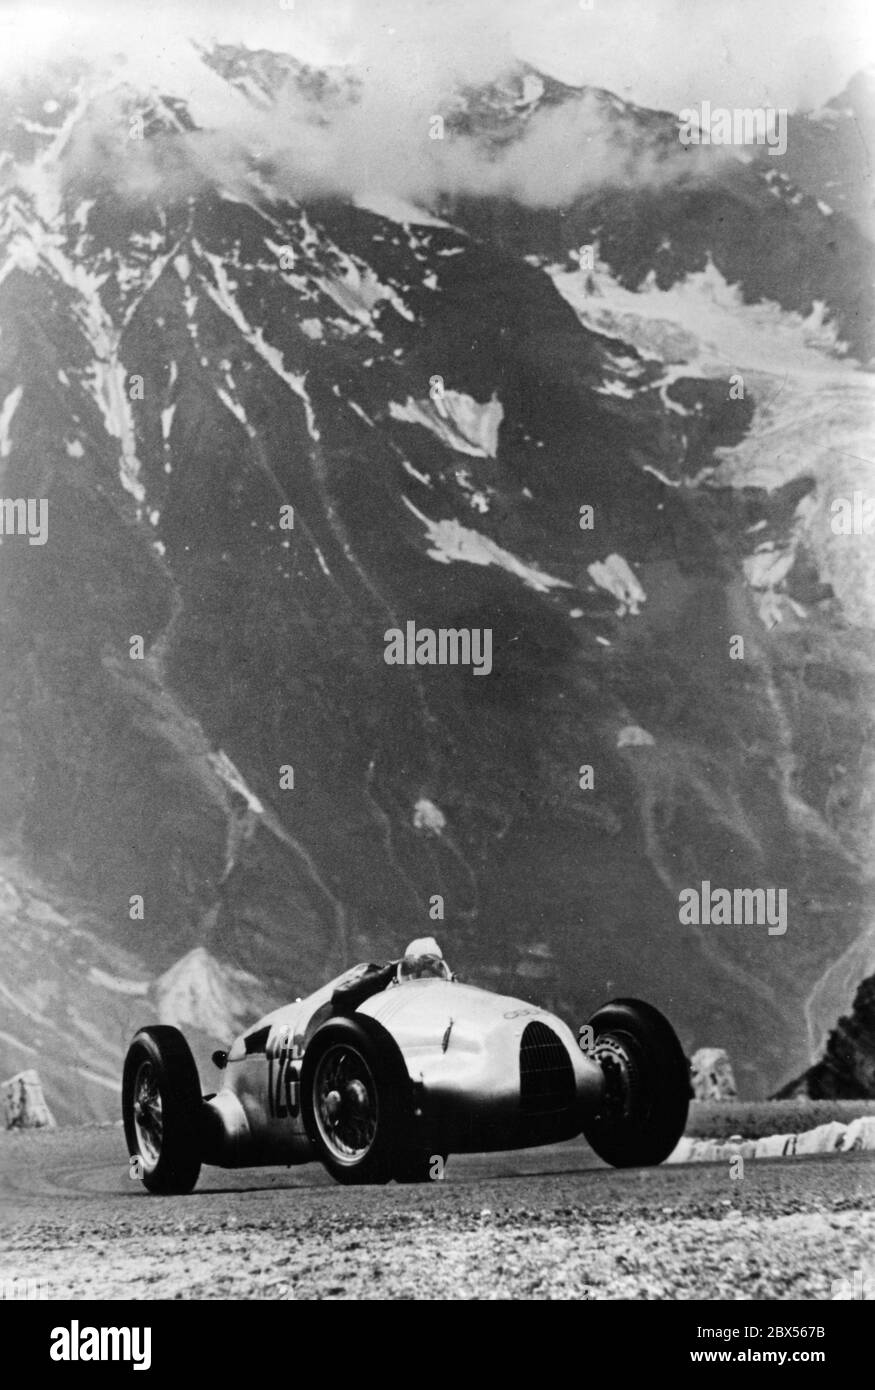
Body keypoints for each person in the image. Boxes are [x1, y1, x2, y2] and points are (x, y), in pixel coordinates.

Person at [330, 937, 451, 1012]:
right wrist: (390, 970)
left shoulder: (445, 992)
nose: (425, 974)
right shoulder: (380, 979)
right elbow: (339, 995)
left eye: (430, 966)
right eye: (417, 968)